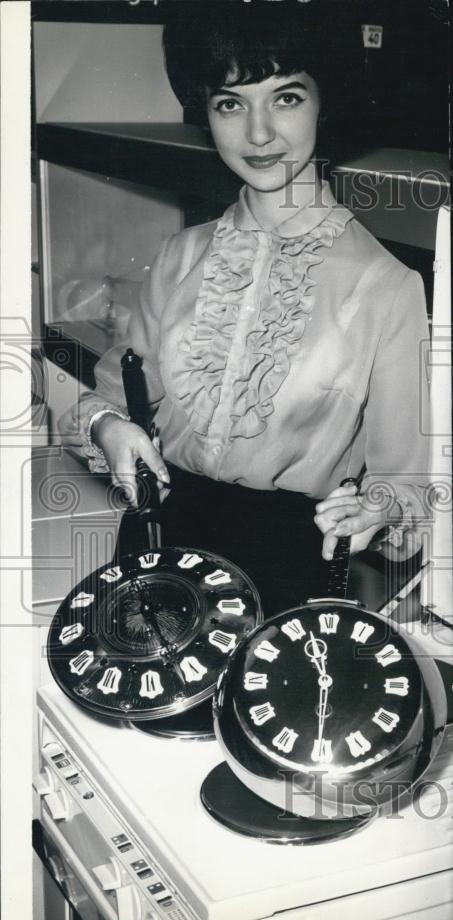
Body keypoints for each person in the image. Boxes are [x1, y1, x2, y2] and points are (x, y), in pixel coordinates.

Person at [59, 1, 430, 617]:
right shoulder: (178, 256)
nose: (257, 134)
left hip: (287, 570)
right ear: (205, 112)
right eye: (230, 102)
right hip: (156, 547)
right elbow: (104, 402)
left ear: (325, 102)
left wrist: (378, 507)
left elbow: (407, 482)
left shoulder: (387, 285)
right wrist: (108, 427)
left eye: (286, 97)